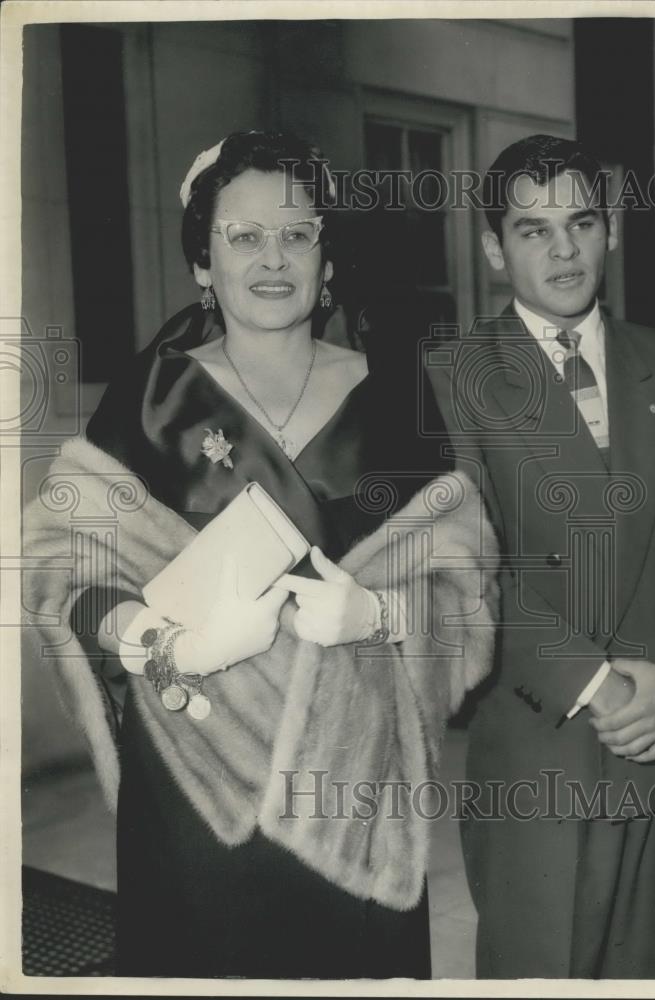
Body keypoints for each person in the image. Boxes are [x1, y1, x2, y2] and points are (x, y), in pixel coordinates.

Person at [24, 130, 498, 979]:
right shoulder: (150, 399)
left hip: (354, 777)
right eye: (242, 236)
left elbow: (458, 587)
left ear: (327, 258)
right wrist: (163, 642)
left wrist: (381, 612)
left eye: (296, 233)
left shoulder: (395, 394)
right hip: (194, 771)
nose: (271, 258)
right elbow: (70, 575)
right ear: (202, 263)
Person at [426, 134, 655, 979]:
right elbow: (467, 569)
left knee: (648, 972)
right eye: (533, 230)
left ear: (608, 231)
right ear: (495, 249)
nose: (563, 249)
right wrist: (599, 686)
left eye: (581, 222)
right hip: (539, 741)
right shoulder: (452, 376)